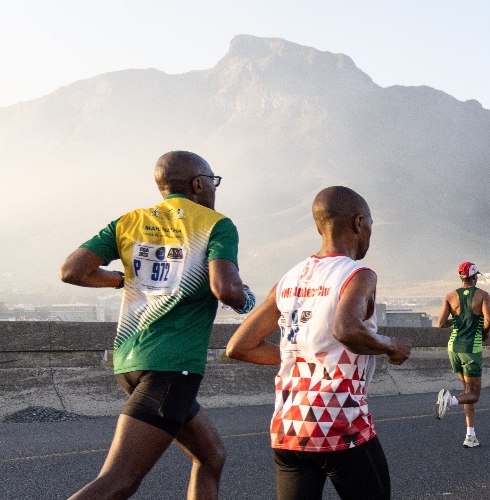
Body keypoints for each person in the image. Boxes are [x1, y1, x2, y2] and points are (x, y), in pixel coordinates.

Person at [58, 151, 252, 500]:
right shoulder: (214, 224)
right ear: (198, 184)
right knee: (119, 481)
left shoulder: (128, 222)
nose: (214, 189)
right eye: (212, 181)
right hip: (172, 368)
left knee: (211, 456)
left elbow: (72, 271)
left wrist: (119, 280)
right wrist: (246, 300)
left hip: (130, 363)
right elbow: (226, 288)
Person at [225, 187, 412, 500]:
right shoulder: (358, 274)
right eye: (370, 225)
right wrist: (391, 345)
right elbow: (346, 329)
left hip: (288, 427)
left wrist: (300, 358)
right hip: (338, 421)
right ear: (359, 223)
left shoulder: (288, 279)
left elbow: (239, 346)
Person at [434, 262, 490, 448]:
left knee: (467, 392)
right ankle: (449, 400)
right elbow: (489, 322)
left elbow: (441, 323)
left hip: (453, 347)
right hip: (471, 349)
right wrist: (483, 331)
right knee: (474, 394)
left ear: (461, 278)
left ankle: (470, 435)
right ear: (474, 277)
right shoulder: (482, 295)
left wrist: (457, 319)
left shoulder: (450, 297)